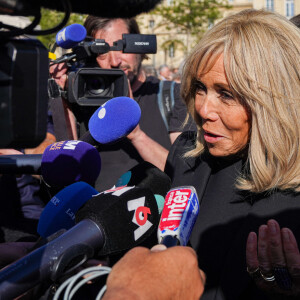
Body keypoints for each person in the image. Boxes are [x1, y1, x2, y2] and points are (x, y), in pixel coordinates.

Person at [163, 9, 300, 300]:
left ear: (276, 101)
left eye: (226, 94)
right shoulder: (186, 156)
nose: (203, 109)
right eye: (200, 88)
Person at [50, 17, 191, 191]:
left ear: (139, 45)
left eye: (121, 46)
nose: (115, 61)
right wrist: (62, 98)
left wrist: (135, 133)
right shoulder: (82, 96)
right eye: (102, 52)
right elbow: (67, 167)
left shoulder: (172, 94)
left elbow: (185, 173)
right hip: (94, 213)